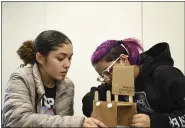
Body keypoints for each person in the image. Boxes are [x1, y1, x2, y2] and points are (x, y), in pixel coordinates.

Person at [2, 30, 107, 127]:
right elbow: (17, 120)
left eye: (70, 58)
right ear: (40, 58)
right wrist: (76, 123)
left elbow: (64, 122)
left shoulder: (68, 85)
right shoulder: (20, 78)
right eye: (60, 58)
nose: (67, 64)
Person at [82, 38, 185, 128]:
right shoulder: (114, 83)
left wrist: (154, 122)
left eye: (107, 72)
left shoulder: (167, 75)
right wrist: (96, 109)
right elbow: (89, 99)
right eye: (103, 75)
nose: (107, 79)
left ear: (123, 59)